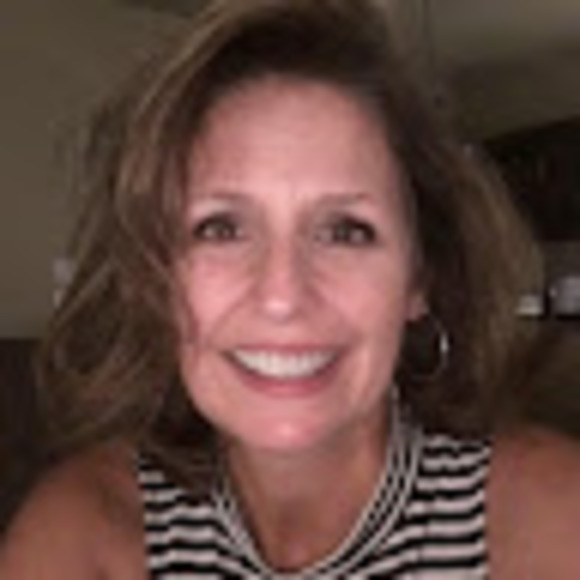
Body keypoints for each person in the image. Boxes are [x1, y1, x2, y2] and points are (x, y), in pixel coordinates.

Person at [1, 0, 580, 577]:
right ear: (156, 274)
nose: (282, 296)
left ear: (420, 275)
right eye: (221, 228)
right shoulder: (84, 530)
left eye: (345, 231)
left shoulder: (544, 515)